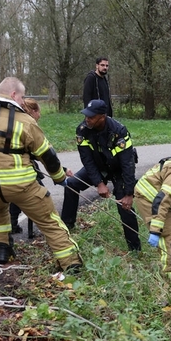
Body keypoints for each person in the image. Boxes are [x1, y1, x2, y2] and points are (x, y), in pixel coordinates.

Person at [0, 77, 82, 273]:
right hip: (22, 186)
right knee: (49, 221)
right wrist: (59, 177)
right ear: (13, 95)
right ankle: (71, 264)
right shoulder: (25, 121)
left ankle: (3, 250)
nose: (23, 101)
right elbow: (47, 155)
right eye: (22, 96)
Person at [59, 99, 140, 250]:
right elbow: (87, 160)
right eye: (86, 116)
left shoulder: (119, 131)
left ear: (102, 117)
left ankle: (135, 249)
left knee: (124, 204)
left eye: (91, 117)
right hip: (97, 167)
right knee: (71, 185)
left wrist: (129, 192)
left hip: (118, 170)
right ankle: (66, 228)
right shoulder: (82, 130)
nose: (87, 119)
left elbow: (127, 164)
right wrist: (99, 183)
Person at [9, 97, 46, 235]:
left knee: (14, 196)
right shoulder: (29, 125)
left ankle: (13, 223)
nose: (40, 115)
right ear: (34, 111)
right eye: (38, 112)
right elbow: (42, 152)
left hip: (8, 167)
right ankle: (45, 225)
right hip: (23, 167)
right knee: (39, 192)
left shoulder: (13, 121)